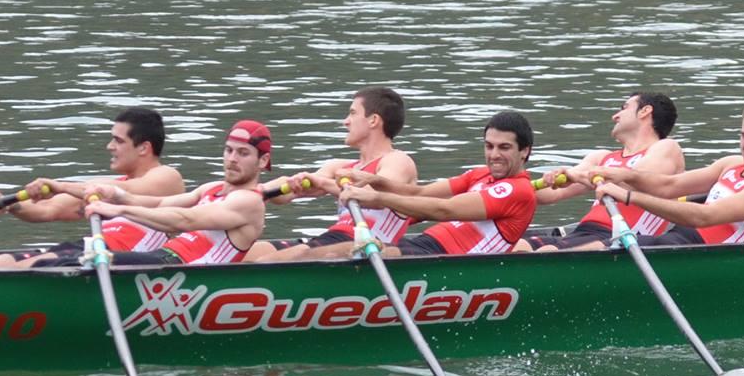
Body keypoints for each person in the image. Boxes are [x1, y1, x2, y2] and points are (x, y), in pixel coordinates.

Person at [0, 108, 186, 269]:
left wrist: (59, 186)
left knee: (32, 265)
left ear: (144, 148)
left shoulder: (167, 177)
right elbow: (47, 210)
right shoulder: (107, 186)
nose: (109, 147)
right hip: (86, 250)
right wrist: (6, 204)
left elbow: (123, 191)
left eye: (118, 141)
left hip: (115, 259)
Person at [561, 100, 744, 247]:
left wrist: (629, 197)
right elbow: (669, 185)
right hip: (676, 241)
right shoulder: (731, 163)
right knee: (603, 246)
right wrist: (624, 175)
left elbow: (703, 217)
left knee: (604, 248)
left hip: (703, 259)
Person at [246, 87, 418, 261]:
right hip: (333, 238)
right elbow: (284, 196)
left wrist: (322, 184)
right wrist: (259, 191)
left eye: (352, 113)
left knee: (264, 263)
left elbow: (375, 196)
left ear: (373, 120)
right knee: (247, 253)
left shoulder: (398, 161)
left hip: (368, 245)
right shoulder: (340, 167)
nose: (346, 122)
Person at [337, 111, 538, 257]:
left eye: (504, 147)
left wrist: (377, 197)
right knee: (346, 252)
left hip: (452, 261)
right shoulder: (480, 174)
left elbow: (445, 210)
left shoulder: (519, 190)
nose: (494, 155)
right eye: (489, 146)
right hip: (427, 245)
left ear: (524, 151)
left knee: (357, 254)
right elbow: (420, 192)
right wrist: (374, 180)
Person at [82, 121, 271, 266]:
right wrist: (116, 194)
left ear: (262, 161)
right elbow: (160, 204)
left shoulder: (249, 201)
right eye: (229, 150)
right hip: (163, 257)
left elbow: (185, 219)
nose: (232, 159)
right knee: (76, 258)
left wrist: (120, 211)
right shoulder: (212, 188)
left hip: (186, 272)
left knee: (89, 261)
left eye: (243, 153)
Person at [529, 92, 685, 250]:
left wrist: (576, 176)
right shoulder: (601, 157)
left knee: (546, 252)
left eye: (624, 108)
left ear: (645, 111)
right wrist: (517, 181)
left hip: (623, 237)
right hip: (582, 232)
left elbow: (636, 183)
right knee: (520, 245)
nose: (615, 117)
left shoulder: (667, 147)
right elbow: (552, 194)